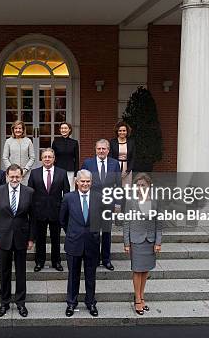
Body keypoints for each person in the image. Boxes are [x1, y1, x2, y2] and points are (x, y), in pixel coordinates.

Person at [0, 164, 35, 318]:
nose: (14, 179)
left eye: (17, 176)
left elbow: (33, 218)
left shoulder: (29, 192)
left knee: (21, 272)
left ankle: (21, 303)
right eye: (12, 176)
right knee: (4, 272)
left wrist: (31, 238)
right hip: (3, 237)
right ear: (7, 177)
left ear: (21, 177)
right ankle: (4, 302)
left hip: (22, 237)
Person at [59, 169, 104, 317]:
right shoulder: (68, 198)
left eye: (88, 181)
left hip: (92, 242)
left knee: (91, 275)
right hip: (74, 242)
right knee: (73, 275)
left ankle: (91, 302)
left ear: (91, 182)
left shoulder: (98, 197)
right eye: (82, 181)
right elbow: (63, 220)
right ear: (76, 182)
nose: (85, 184)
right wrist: (72, 232)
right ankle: (71, 303)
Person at [123, 172, 162, 315]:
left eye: (143, 185)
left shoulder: (155, 200)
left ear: (149, 186)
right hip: (136, 240)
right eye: (137, 185)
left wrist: (158, 241)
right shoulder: (131, 201)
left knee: (145, 270)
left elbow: (159, 222)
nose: (140, 188)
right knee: (137, 270)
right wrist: (126, 243)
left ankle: (142, 295)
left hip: (150, 241)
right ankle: (137, 299)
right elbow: (126, 222)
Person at [81, 139, 122, 271]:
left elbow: (118, 185)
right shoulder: (88, 163)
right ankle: (93, 259)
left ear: (108, 150)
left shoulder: (115, 164)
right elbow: (82, 184)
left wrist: (118, 204)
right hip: (92, 203)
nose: (101, 151)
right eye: (99, 148)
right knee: (93, 232)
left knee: (106, 232)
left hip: (109, 203)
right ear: (95, 149)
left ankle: (106, 259)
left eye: (104, 149)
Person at [27, 148, 69, 272]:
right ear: (41, 159)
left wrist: (64, 211)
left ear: (54, 159)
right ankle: (39, 262)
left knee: (56, 239)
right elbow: (30, 193)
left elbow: (66, 194)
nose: (47, 159)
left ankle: (56, 262)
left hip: (56, 211)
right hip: (39, 212)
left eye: (49, 157)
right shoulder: (34, 173)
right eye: (44, 157)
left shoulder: (62, 173)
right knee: (40, 239)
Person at [2, 120, 35, 185]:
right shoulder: (8, 141)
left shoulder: (28, 141)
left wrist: (25, 170)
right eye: (16, 128)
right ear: (13, 130)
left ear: (23, 130)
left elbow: (32, 157)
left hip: (25, 174)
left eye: (20, 128)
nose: (18, 130)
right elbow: (5, 157)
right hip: (12, 174)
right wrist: (11, 170)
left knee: (25, 192)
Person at [52, 121, 79, 191]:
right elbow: (53, 157)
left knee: (70, 189)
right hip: (58, 169)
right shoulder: (55, 142)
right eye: (62, 128)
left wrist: (76, 173)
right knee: (58, 189)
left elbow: (76, 158)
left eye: (65, 128)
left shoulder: (74, 142)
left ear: (69, 130)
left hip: (70, 170)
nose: (63, 130)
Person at [110, 121, 135, 188]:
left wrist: (128, 171)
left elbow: (133, 157)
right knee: (115, 188)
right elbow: (110, 157)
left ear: (127, 132)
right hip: (115, 169)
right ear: (117, 131)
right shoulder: (112, 142)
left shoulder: (131, 142)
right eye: (120, 131)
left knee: (126, 189)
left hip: (127, 169)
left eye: (124, 130)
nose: (122, 132)